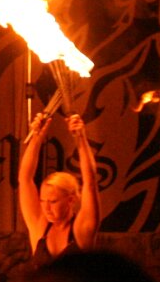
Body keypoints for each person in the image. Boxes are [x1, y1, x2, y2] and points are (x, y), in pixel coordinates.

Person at [18, 111, 100, 265]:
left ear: (70, 200)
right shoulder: (39, 225)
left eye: (53, 201)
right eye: (43, 201)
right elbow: (24, 179)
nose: (46, 208)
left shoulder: (82, 229)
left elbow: (90, 183)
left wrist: (80, 138)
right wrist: (36, 138)